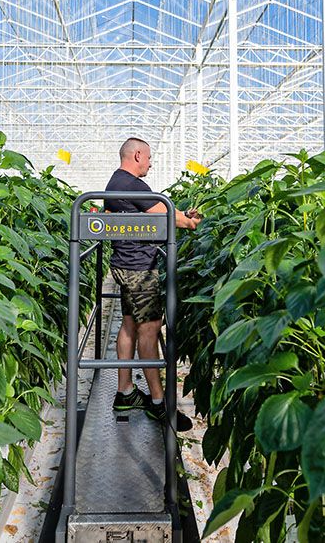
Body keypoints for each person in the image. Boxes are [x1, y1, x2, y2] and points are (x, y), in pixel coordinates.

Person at [103, 137, 202, 432]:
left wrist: (180, 215)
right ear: (136, 155)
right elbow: (175, 219)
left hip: (123, 263)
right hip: (140, 269)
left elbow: (157, 215)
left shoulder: (114, 184)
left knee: (130, 324)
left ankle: (125, 392)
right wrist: (190, 219)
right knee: (150, 329)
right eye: (148, 157)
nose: (150, 162)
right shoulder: (134, 185)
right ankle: (160, 405)